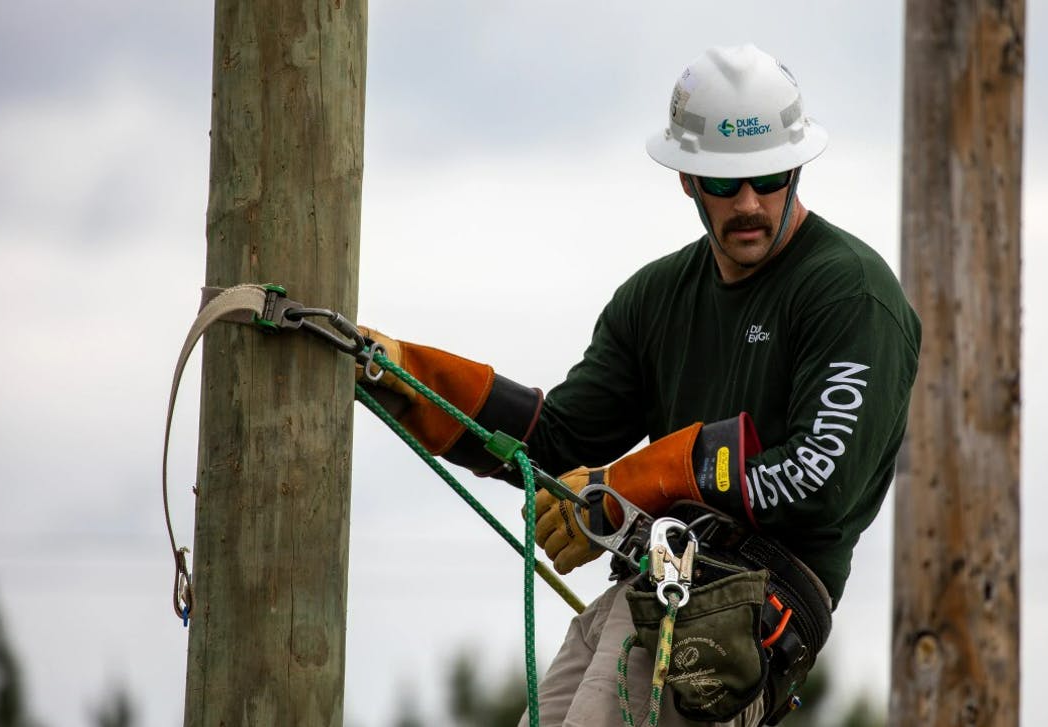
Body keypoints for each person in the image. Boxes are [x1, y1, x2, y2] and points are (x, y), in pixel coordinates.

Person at [359, 44, 920, 727]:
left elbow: (816, 483)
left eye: (769, 177)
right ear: (687, 179)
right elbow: (556, 440)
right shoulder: (657, 299)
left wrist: (637, 481)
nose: (749, 203)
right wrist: (407, 377)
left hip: (741, 604)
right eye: (724, 182)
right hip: (651, 583)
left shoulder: (848, 291)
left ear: (796, 168)